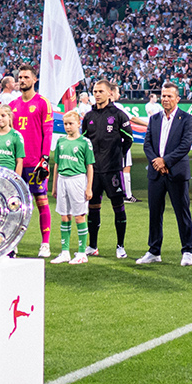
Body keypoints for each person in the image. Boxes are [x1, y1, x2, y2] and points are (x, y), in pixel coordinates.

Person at [137, 83, 192, 267]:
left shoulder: (186, 118)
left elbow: (185, 145)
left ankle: (187, 251)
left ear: (178, 98)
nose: (166, 99)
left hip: (176, 172)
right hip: (156, 173)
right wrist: (157, 161)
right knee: (155, 213)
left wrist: (166, 161)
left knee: (182, 213)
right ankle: (154, 250)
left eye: (170, 96)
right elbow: (147, 145)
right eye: (163, 96)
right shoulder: (154, 119)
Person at [81, 79, 134, 259]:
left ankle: (120, 246)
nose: (97, 94)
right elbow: (83, 142)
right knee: (93, 206)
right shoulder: (88, 117)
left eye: (100, 91)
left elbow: (129, 139)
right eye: (94, 91)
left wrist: (117, 156)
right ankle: (92, 245)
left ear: (110, 93)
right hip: (94, 171)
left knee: (118, 207)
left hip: (113, 170)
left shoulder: (119, 115)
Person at [10, 65, 56, 255]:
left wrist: (44, 160)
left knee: (41, 200)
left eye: (26, 77)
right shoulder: (12, 105)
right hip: (16, 164)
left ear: (34, 80)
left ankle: (45, 243)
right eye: (20, 77)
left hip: (36, 163)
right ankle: (12, 243)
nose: (22, 80)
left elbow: (48, 133)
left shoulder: (43, 103)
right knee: (14, 204)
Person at [48, 120, 94, 263]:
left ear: (78, 124)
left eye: (71, 123)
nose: (68, 127)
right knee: (64, 216)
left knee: (79, 216)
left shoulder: (85, 142)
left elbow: (90, 166)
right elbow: (56, 165)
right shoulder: (61, 141)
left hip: (78, 180)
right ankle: (65, 252)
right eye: (65, 124)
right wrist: (54, 186)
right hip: (62, 180)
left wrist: (89, 187)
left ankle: (81, 253)